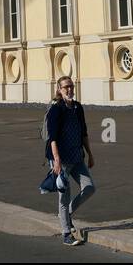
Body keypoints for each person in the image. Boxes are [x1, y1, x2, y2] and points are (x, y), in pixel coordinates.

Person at [45, 76, 96, 246]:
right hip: (61, 159)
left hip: (77, 157)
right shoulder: (56, 110)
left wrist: (90, 154)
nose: (69, 89)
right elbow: (52, 138)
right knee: (63, 197)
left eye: (71, 86)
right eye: (66, 87)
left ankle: (66, 215)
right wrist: (57, 161)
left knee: (89, 188)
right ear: (59, 89)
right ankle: (66, 234)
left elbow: (84, 133)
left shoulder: (77, 108)